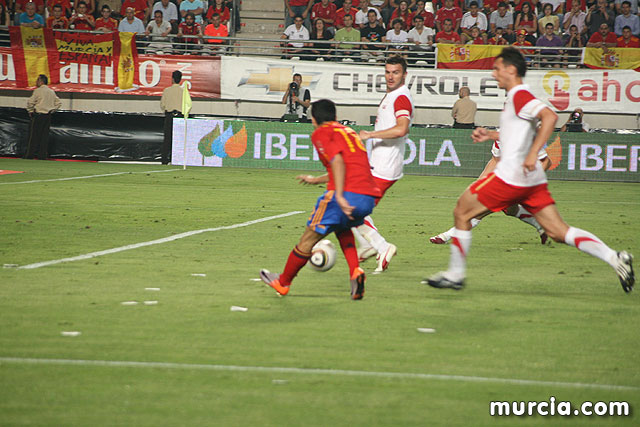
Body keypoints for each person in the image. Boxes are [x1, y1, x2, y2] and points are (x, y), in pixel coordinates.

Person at [424, 47, 635, 294]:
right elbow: (518, 133)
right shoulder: (516, 99)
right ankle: (615, 258)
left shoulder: (519, 95)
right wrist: (490, 134)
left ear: (511, 70)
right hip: (532, 179)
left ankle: (455, 275)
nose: (494, 74)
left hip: (512, 176)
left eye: (497, 69)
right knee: (559, 232)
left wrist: (534, 152)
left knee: (462, 210)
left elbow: (550, 117)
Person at [260, 99, 382, 300]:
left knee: (308, 239)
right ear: (335, 116)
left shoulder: (322, 133)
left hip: (345, 195)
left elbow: (338, 162)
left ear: (314, 120)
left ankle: (283, 282)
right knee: (343, 228)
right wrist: (316, 180)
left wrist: (339, 196)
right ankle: (355, 272)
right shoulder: (348, 132)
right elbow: (349, 166)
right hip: (367, 197)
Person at [355, 55, 413, 273]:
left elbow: (402, 128)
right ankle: (369, 245)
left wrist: (370, 134)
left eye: (395, 72)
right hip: (379, 164)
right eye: (388, 72)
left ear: (404, 75)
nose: (390, 76)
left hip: (385, 167)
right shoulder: (392, 95)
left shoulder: (401, 98)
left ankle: (380, 246)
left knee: (351, 209)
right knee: (351, 207)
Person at [25, 75, 61, 160]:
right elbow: (58, 103)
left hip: (38, 115)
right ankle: (42, 155)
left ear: (41, 81)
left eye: (37, 80)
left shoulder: (38, 91)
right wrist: (52, 110)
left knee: (34, 136)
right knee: (44, 137)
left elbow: (30, 102)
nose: (36, 82)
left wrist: (30, 110)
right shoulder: (51, 92)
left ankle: (30, 155)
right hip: (47, 115)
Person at [160, 70, 185, 165]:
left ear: (172, 79)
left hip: (169, 115)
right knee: (179, 139)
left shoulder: (167, 90)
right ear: (180, 79)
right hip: (180, 116)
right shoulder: (184, 91)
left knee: (167, 138)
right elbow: (188, 105)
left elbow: (162, 105)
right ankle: (177, 159)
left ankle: (164, 159)